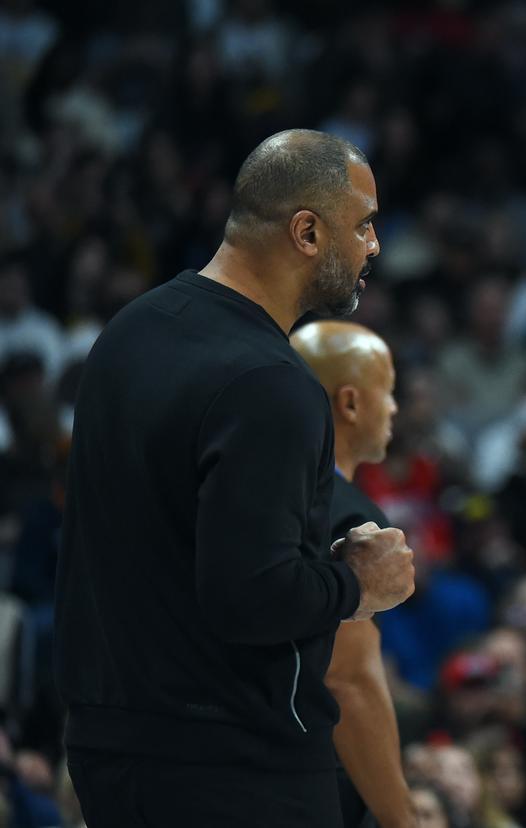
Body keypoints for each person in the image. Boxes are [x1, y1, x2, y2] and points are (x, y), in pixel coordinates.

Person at [55, 129, 416, 827]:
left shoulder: (129, 332)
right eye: (364, 225)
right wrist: (357, 585)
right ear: (307, 232)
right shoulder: (270, 383)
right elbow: (249, 597)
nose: (374, 245)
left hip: (107, 745)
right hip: (234, 766)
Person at [290, 319, 417, 828]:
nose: (394, 408)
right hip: (312, 774)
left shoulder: (272, 494)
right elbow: (348, 679)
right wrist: (402, 819)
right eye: (387, 390)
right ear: (349, 403)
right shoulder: (351, 517)